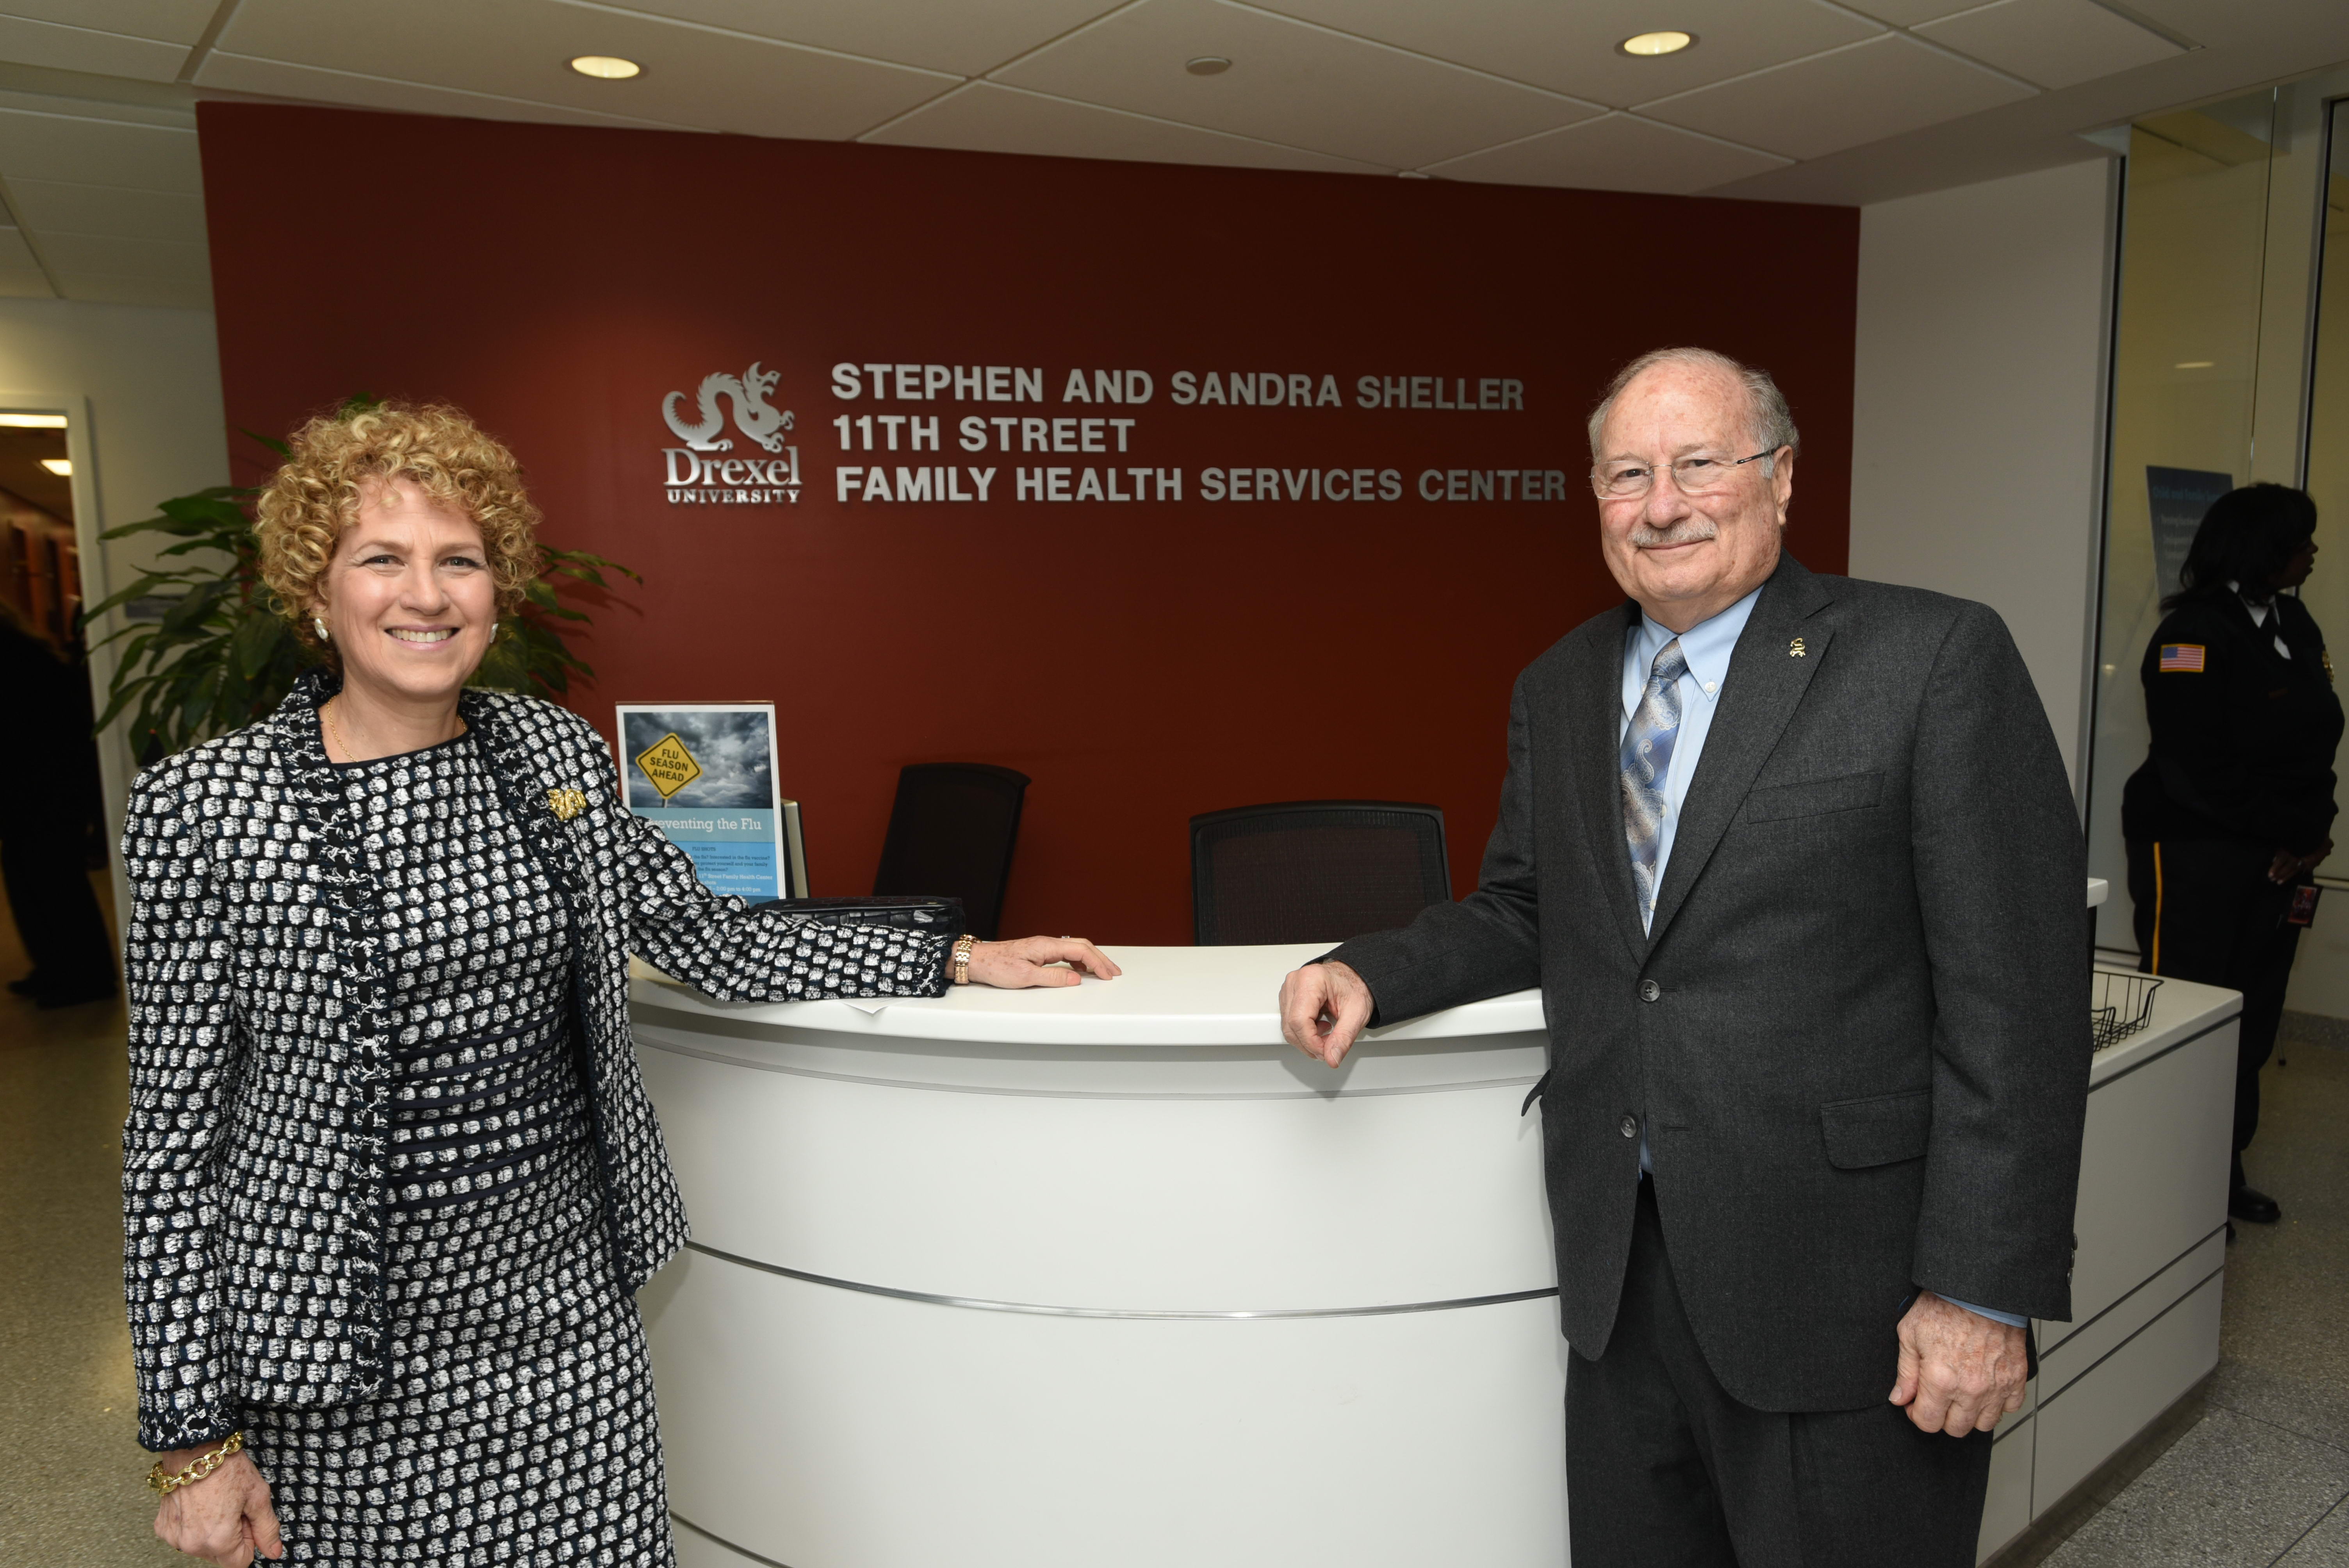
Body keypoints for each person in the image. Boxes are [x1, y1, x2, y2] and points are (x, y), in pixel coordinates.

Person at [124, 400, 1120, 1568]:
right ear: (317, 591)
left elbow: (710, 936)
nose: (426, 594)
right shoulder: (203, 806)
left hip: (565, 1321)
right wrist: (195, 1443)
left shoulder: (552, 756)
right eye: (381, 560)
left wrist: (952, 955)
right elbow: (172, 1142)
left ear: (498, 593)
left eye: (461, 561)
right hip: (343, 1359)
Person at [1278, 347, 2089, 1566]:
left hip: (1845, 1289)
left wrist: (1978, 1292)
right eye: (1627, 474)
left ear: (1780, 477)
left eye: (1698, 465)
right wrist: (1375, 969)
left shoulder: (1928, 659)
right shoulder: (1558, 685)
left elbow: (2016, 1000)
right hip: (1624, 1274)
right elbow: (1526, 905)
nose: (1662, 504)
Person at [2122, 483, 2338, 1228]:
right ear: (2260, 550)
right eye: (2300, 540)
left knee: (2251, 1018)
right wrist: (2281, 833)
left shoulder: (2294, 621)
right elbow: (2192, 770)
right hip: (2195, 853)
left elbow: (2317, 741)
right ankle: (2163, 1181)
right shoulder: (2192, 636)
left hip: (2278, 857)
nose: (2314, 551)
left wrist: (2316, 832)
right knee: (2189, 1011)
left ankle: (2218, 1170)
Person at [0, 599, 116, 1007]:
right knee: (34, 878)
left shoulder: (16, 657)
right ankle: (55, 967)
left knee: (52, 880)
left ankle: (84, 976)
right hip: (42, 784)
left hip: (44, 786)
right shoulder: (28, 651)